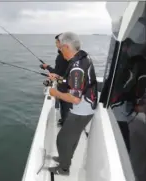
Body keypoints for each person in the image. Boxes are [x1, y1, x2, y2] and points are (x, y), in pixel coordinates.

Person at [47, 32, 98, 175]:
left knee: (62, 139)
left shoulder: (76, 67)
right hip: (87, 105)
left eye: (61, 47)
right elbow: (77, 83)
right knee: (73, 137)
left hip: (82, 109)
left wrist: (55, 93)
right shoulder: (82, 56)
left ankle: (64, 168)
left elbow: (75, 98)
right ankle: (65, 159)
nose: (60, 50)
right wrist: (58, 78)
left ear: (67, 46)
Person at [42, 34, 70, 126]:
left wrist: (48, 68)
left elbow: (57, 73)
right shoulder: (68, 54)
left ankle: (65, 123)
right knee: (65, 103)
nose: (55, 44)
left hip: (64, 83)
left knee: (65, 104)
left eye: (57, 42)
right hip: (67, 82)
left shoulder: (62, 57)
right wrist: (48, 68)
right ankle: (64, 120)